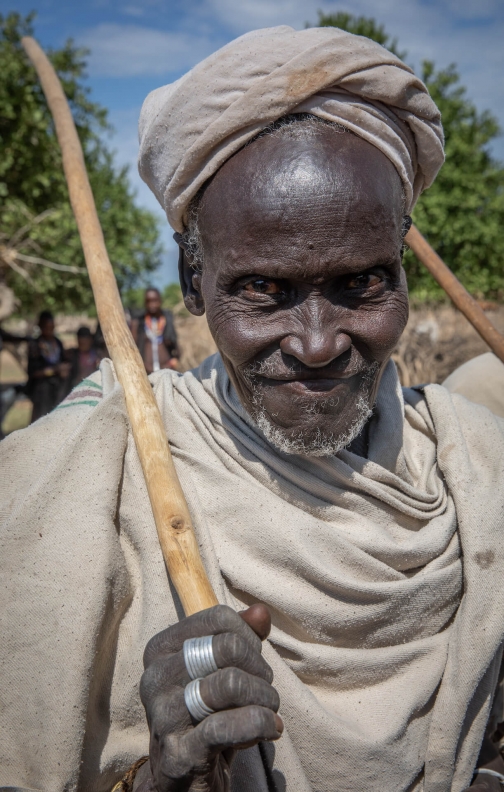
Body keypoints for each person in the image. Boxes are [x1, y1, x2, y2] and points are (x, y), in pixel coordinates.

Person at [1, 26, 504, 792]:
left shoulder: (483, 466)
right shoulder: (80, 479)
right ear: (194, 282)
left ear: (402, 271)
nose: (314, 343)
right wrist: (158, 779)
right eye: (263, 291)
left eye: (360, 283)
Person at [26, 310, 70, 422]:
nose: (49, 330)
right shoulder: (35, 345)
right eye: (46, 327)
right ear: (40, 326)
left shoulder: (58, 343)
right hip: (41, 391)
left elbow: (64, 361)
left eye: (51, 327)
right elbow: (33, 372)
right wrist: (54, 370)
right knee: (41, 422)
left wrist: (65, 368)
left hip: (58, 389)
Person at [131, 287, 179, 373]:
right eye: (148, 301)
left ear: (160, 301)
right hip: (146, 370)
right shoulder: (139, 322)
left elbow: (174, 342)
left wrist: (175, 359)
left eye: (155, 301)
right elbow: (134, 345)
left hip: (166, 369)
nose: (152, 304)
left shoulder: (167, 320)